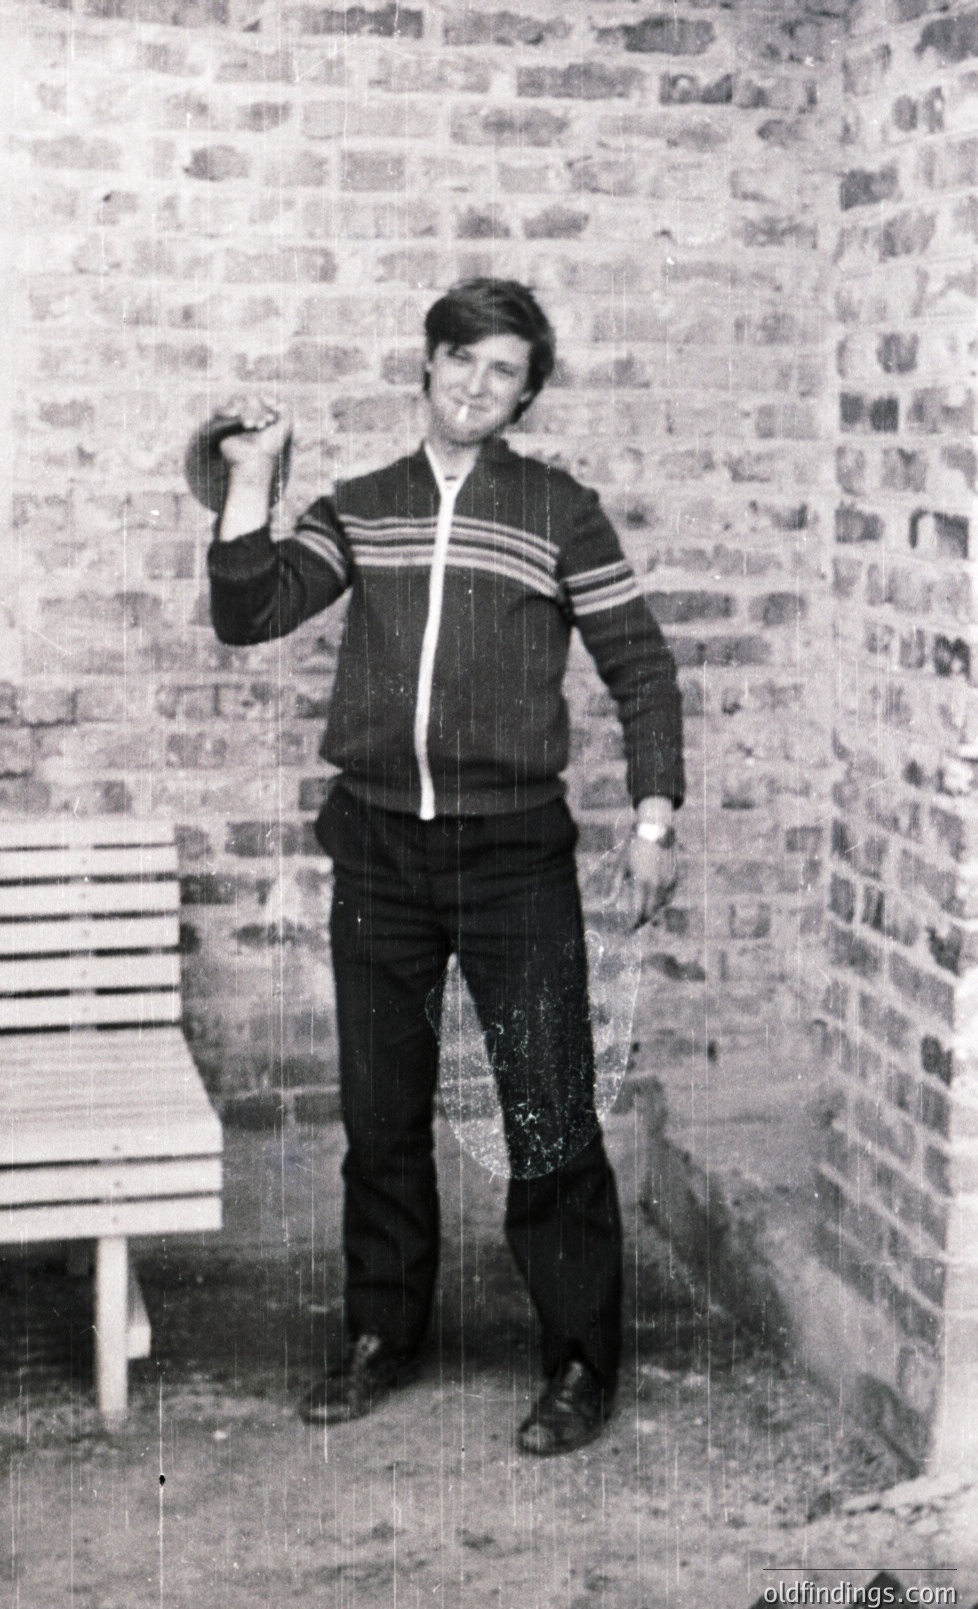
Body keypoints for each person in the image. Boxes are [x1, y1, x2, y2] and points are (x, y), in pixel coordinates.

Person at [206, 279, 684, 1455]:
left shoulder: (559, 512)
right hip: (380, 849)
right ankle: (386, 1334)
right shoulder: (363, 507)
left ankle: (579, 1361)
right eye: (462, 361)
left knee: (548, 1116)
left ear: (526, 393)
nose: (478, 385)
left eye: (505, 372)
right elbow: (250, 611)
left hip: (515, 855)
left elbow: (641, 667)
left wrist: (655, 818)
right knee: (379, 1115)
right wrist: (255, 479)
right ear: (426, 366)